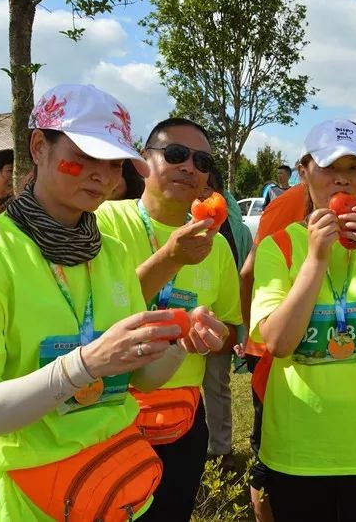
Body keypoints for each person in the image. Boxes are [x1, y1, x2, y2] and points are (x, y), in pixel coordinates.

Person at [0, 84, 226, 520]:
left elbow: (140, 379)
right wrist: (83, 365)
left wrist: (181, 338)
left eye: (113, 160)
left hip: (116, 491)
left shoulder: (112, 253)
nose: (101, 173)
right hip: (24, 500)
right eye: (83, 154)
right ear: (38, 147)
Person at [250, 118, 356, 522]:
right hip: (298, 449)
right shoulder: (280, 247)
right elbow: (279, 343)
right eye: (329, 167)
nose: (341, 181)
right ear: (304, 170)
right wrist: (315, 260)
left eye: (354, 169)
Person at [95, 116, 242, 522]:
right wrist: (170, 257)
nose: (189, 167)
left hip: (181, 419)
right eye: (175, 154)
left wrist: (213, 336)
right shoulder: (104, 222)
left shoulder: (217, 246)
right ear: (144, 163)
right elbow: (98, 312)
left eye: (201, 161)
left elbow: (231, 330)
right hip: (108, 414)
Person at [198, 164, 253, 472]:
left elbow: (244, 275)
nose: (204, 195)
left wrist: (240, 328)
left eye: (210, 189)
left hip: (222, 319)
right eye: (200, 190)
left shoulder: (235, 229)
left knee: (216, 383)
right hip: (184, 316)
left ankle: (220, 448)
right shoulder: (178, 224)